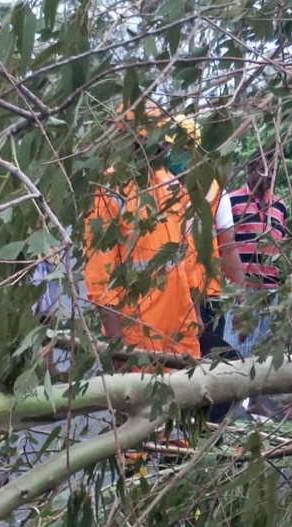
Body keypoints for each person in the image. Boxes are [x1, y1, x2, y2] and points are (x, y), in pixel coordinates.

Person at [84, 101, 203, 361]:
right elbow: (101, 275)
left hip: (181, 329)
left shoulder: (171, 184)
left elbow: (188, 257)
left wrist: (195, 313)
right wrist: (116, 345)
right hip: (139, 334)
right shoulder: (110, 191)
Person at [161, 115, 246, 362]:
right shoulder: (154, 191)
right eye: (172, 148)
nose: (177, 155)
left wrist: (242, 300)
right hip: (164, 297)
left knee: (205, 366)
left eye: (185, 149)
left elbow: (228, 248)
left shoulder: (215, 192)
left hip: (208, 300)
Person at [222, 148, 288, 360]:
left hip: (271, 293)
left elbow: (282, 245)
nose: (268, 177)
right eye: (263, 170)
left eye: (273, 172)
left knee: (263, 357)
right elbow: (225, 246)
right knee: (235, 352)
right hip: (243, 291)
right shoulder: (231, 202)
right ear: (251, 168)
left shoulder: (280, 206)